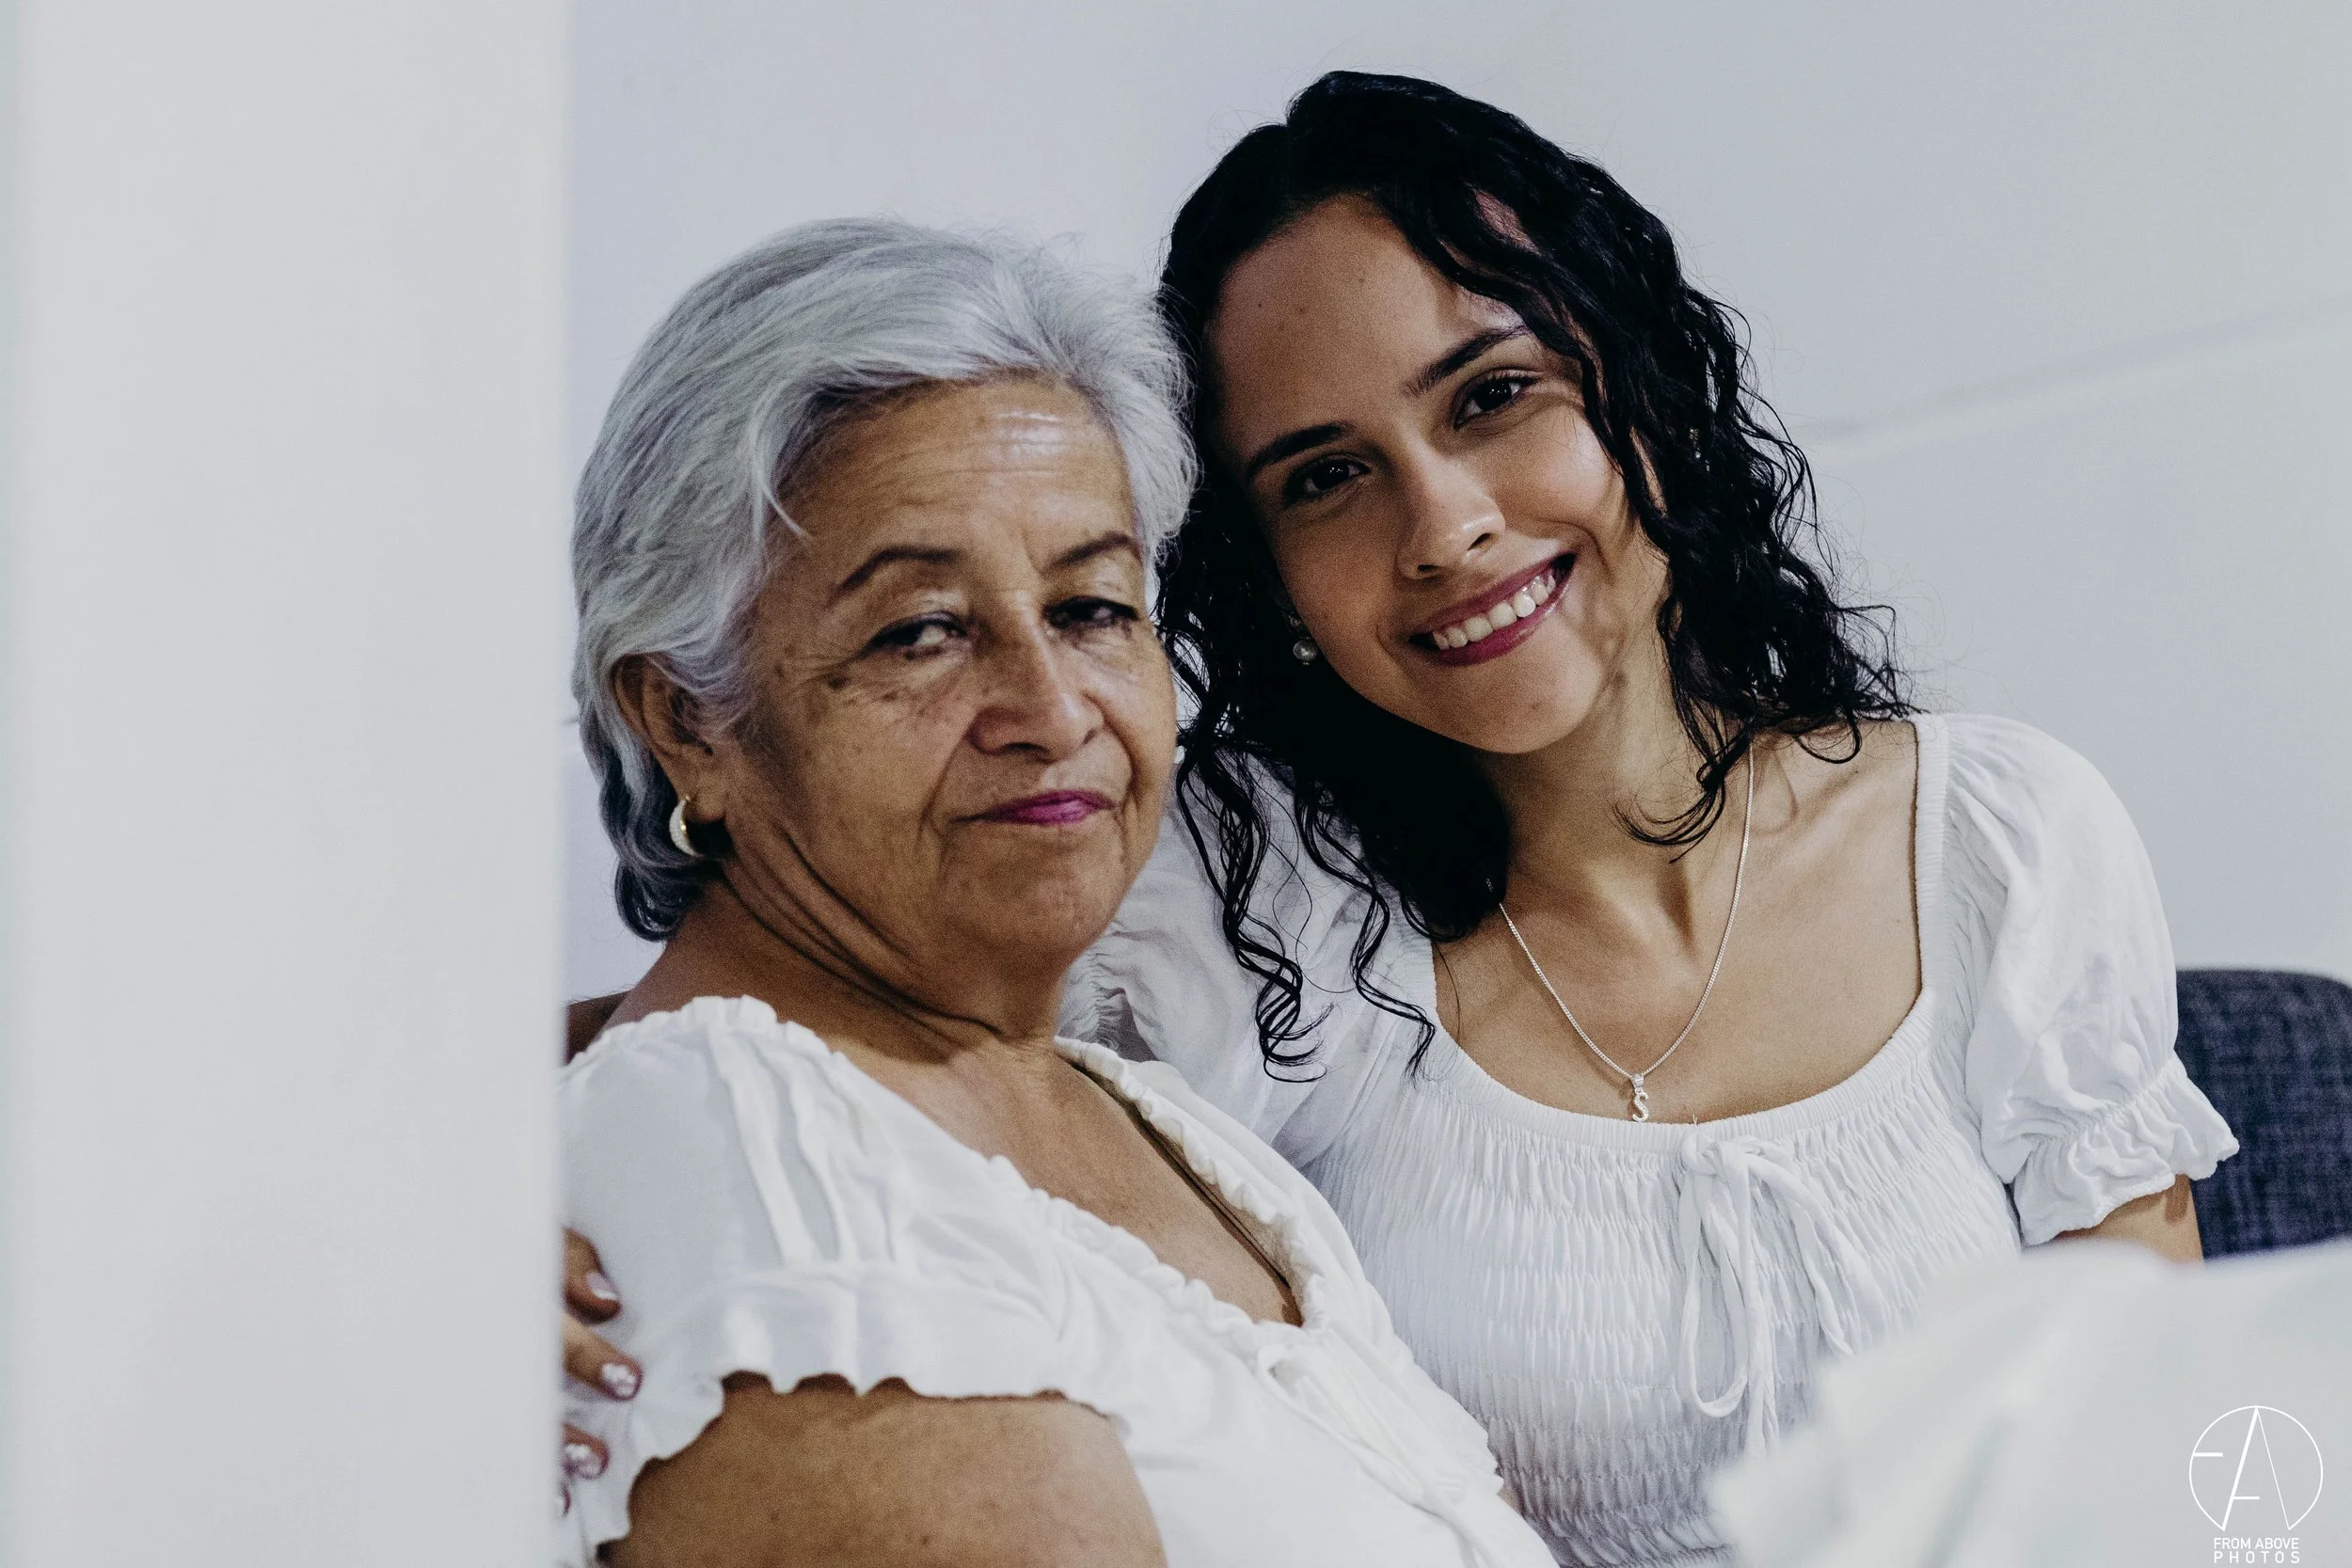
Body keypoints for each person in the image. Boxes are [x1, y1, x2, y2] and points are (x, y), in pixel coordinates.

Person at [566, 74, 2238, 1567]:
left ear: (1636, 387)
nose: (1444, 526)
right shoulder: (1236, 902)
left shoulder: (2004, 841)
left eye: (1492, 396)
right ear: (1265, 573)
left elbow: (2169, 1465)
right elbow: (807, 1020)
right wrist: (498, 1208)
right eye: (1323, 476)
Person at [553, 216, 1553, 1568]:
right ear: (686, 722)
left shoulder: (1152, 1120)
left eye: (1092, 607)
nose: (1047, 708)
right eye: (919, 632)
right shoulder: (762, 1153)